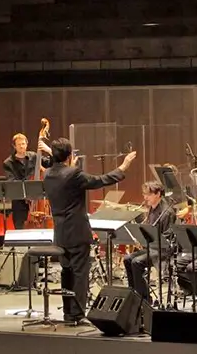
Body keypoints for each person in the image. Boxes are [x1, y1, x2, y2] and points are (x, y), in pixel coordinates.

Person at [44, 137, 137, 324]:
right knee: (80, 274)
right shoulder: (74, 174)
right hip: (77, 232)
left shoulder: (48, 174)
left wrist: (72, 167)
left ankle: (68, 314)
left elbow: (66, 180)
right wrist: (123, 167)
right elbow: (100, 180)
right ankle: (77, 315)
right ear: (69, 155)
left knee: (66, 272)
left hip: (60, 234)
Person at [124, 180, 177, 302]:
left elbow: (167, 237)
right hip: (152, 248)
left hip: (162, 250)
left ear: (158, 194)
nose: (145, 197)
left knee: (136, 262)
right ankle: (134, 295)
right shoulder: (152, 209)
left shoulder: (167, 212)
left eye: (148, 194)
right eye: (144, 194)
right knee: (127, 259)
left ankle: (144, 299)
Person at [3, 133, 53, 230]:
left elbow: (49, 163)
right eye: (19, 144)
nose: (22, 146)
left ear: (26, 144)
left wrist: (48, 150)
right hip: (19, 199)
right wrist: (26, 191)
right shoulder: (8, 163)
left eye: (23, 144)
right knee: (20, 227)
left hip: (36, 198)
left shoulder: (34, 156)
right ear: (14, 146)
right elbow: (11, 181)